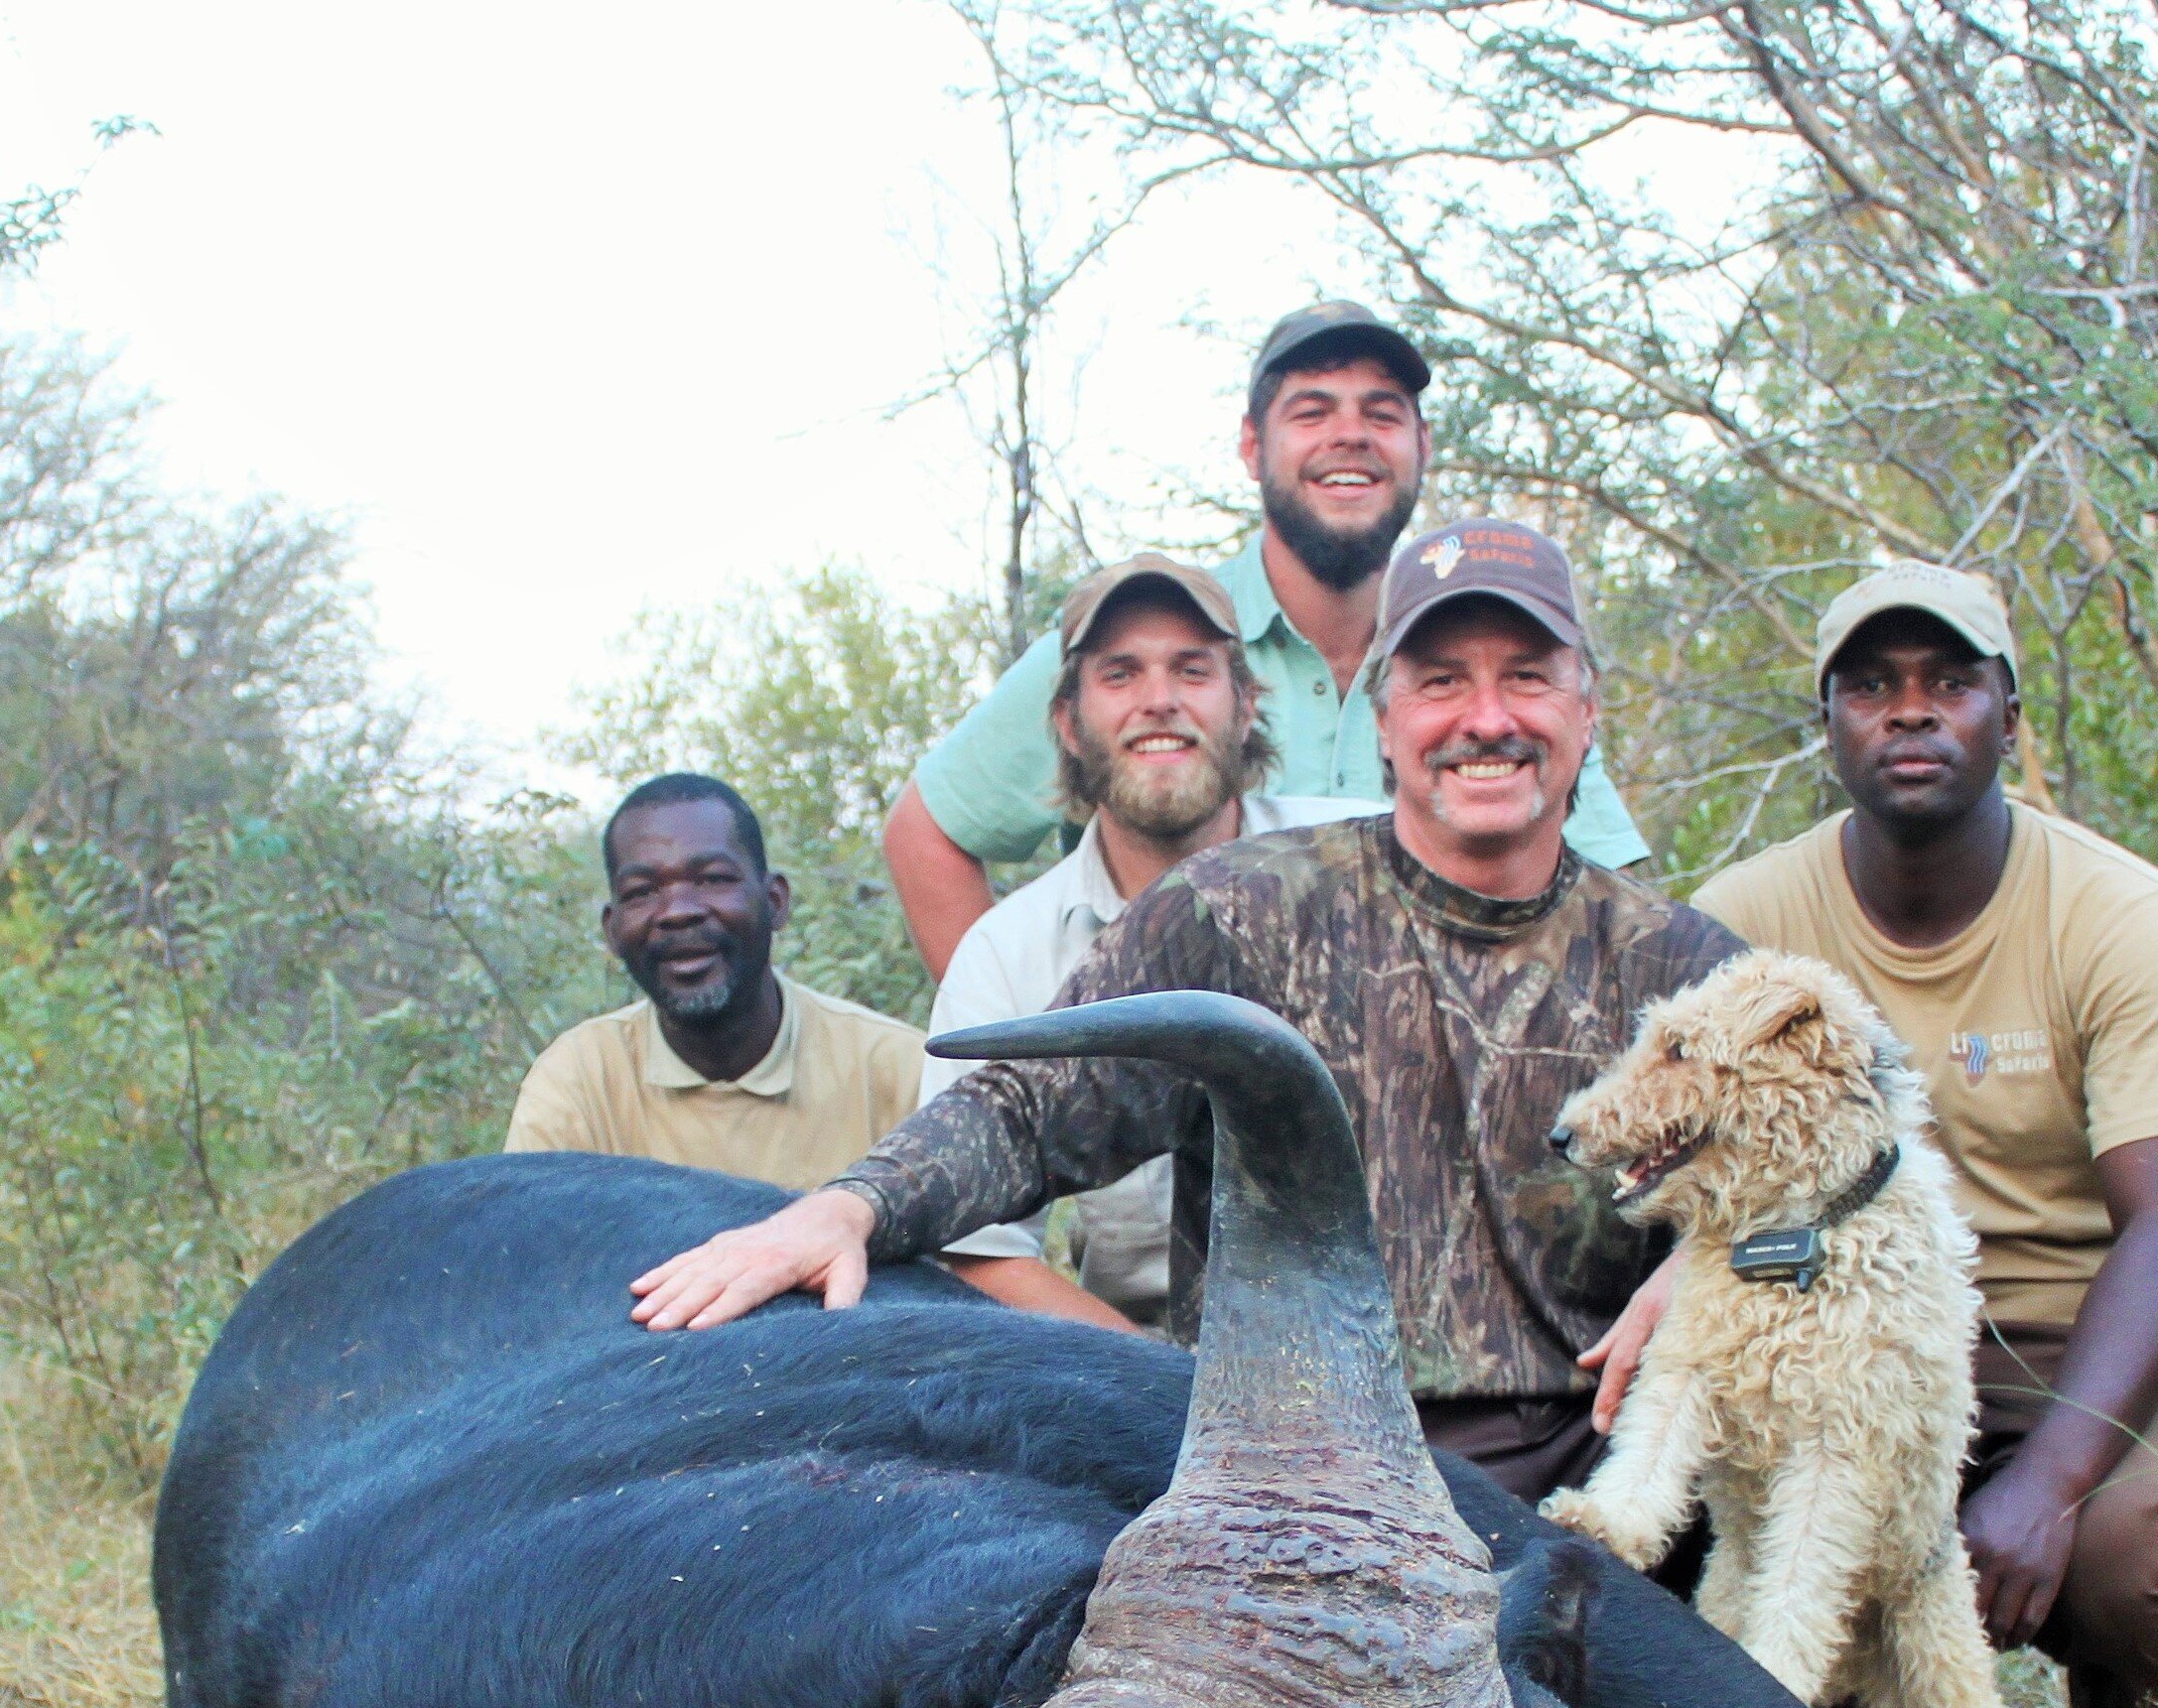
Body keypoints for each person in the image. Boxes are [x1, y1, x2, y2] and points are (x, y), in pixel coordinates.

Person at [630, 519, 1742, 1506]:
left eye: (1529, 678)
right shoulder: (1239, 911)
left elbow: (1866, 1164)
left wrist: (1725, 1255)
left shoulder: (1683, 967)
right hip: (1289, 1481)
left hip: (1591, 1494)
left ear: (1586, 713)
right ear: (1391, 716)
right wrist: (850, 1208)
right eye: (1444, 680)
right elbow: (1029, 1112)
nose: (1487, 719)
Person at [1649, 561, 2158, 1708]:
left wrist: (2047, 1486)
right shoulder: (1737, 921)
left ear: (2010, 717)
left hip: (2076, 1327)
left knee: (2130, 1554)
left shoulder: (2125, 915)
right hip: (1828, 1328)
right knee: (1693, 1531)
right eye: (1872, 685)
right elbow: (1686, 1193)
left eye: (1951, 682)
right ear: (1827, 724)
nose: (1912, 710)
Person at [879, 301, 1651, 977]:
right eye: (1311, 412)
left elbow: (1612, 895)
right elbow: (928, 833)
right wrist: (1045, 1062)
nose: (1349, 436)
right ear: (1251, 447)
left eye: (1380, 413)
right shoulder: (1135, 652)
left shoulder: (1494, 677)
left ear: (1421, 443)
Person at [925, 552, 1370, 1325]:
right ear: (1068, 720)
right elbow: (978, 1251)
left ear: (1245, 704)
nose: (1159, 701)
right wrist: (1166, 1389)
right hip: (1147, 1368)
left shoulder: (1360, 861)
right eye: (1121, 674)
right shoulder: (1008, 955)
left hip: (1395, 1354)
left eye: (1192, 671)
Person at [505, 772, 925, 1190]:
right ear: (612, 930)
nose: (677, 911)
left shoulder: (897, 1071)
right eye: (642, 891)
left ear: (775, 902)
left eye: (713, 879)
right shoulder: (578, 1084)